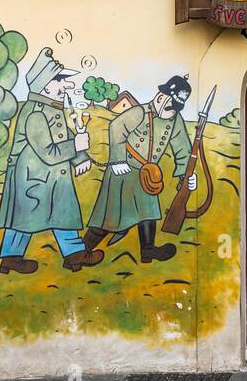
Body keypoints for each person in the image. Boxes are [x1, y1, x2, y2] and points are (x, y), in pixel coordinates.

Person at [0, 47, 103, 274]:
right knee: (25, 218)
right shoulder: (36, 114)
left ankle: (74, 255)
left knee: (61, 212)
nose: (68, 86)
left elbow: (63, 138)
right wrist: (77, 147)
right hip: (34, 179)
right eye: (61, 80)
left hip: (51, 177)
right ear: (46, 85)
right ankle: (11, 258)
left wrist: (79, 157)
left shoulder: (51, 109)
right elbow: (48, 151)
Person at [82, 75, 195, 263]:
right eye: (170, 107)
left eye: (176, 109)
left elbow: (183, 147)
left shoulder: (175, 120)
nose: (172, 113)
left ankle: (148, 251)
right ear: (161, 98)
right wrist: (118, 160)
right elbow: (117, 127)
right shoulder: (139, 112)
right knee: (108, 217)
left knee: (148, 212)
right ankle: (80, 252)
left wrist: (186, 175)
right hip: (123, 170)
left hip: (147, 175)